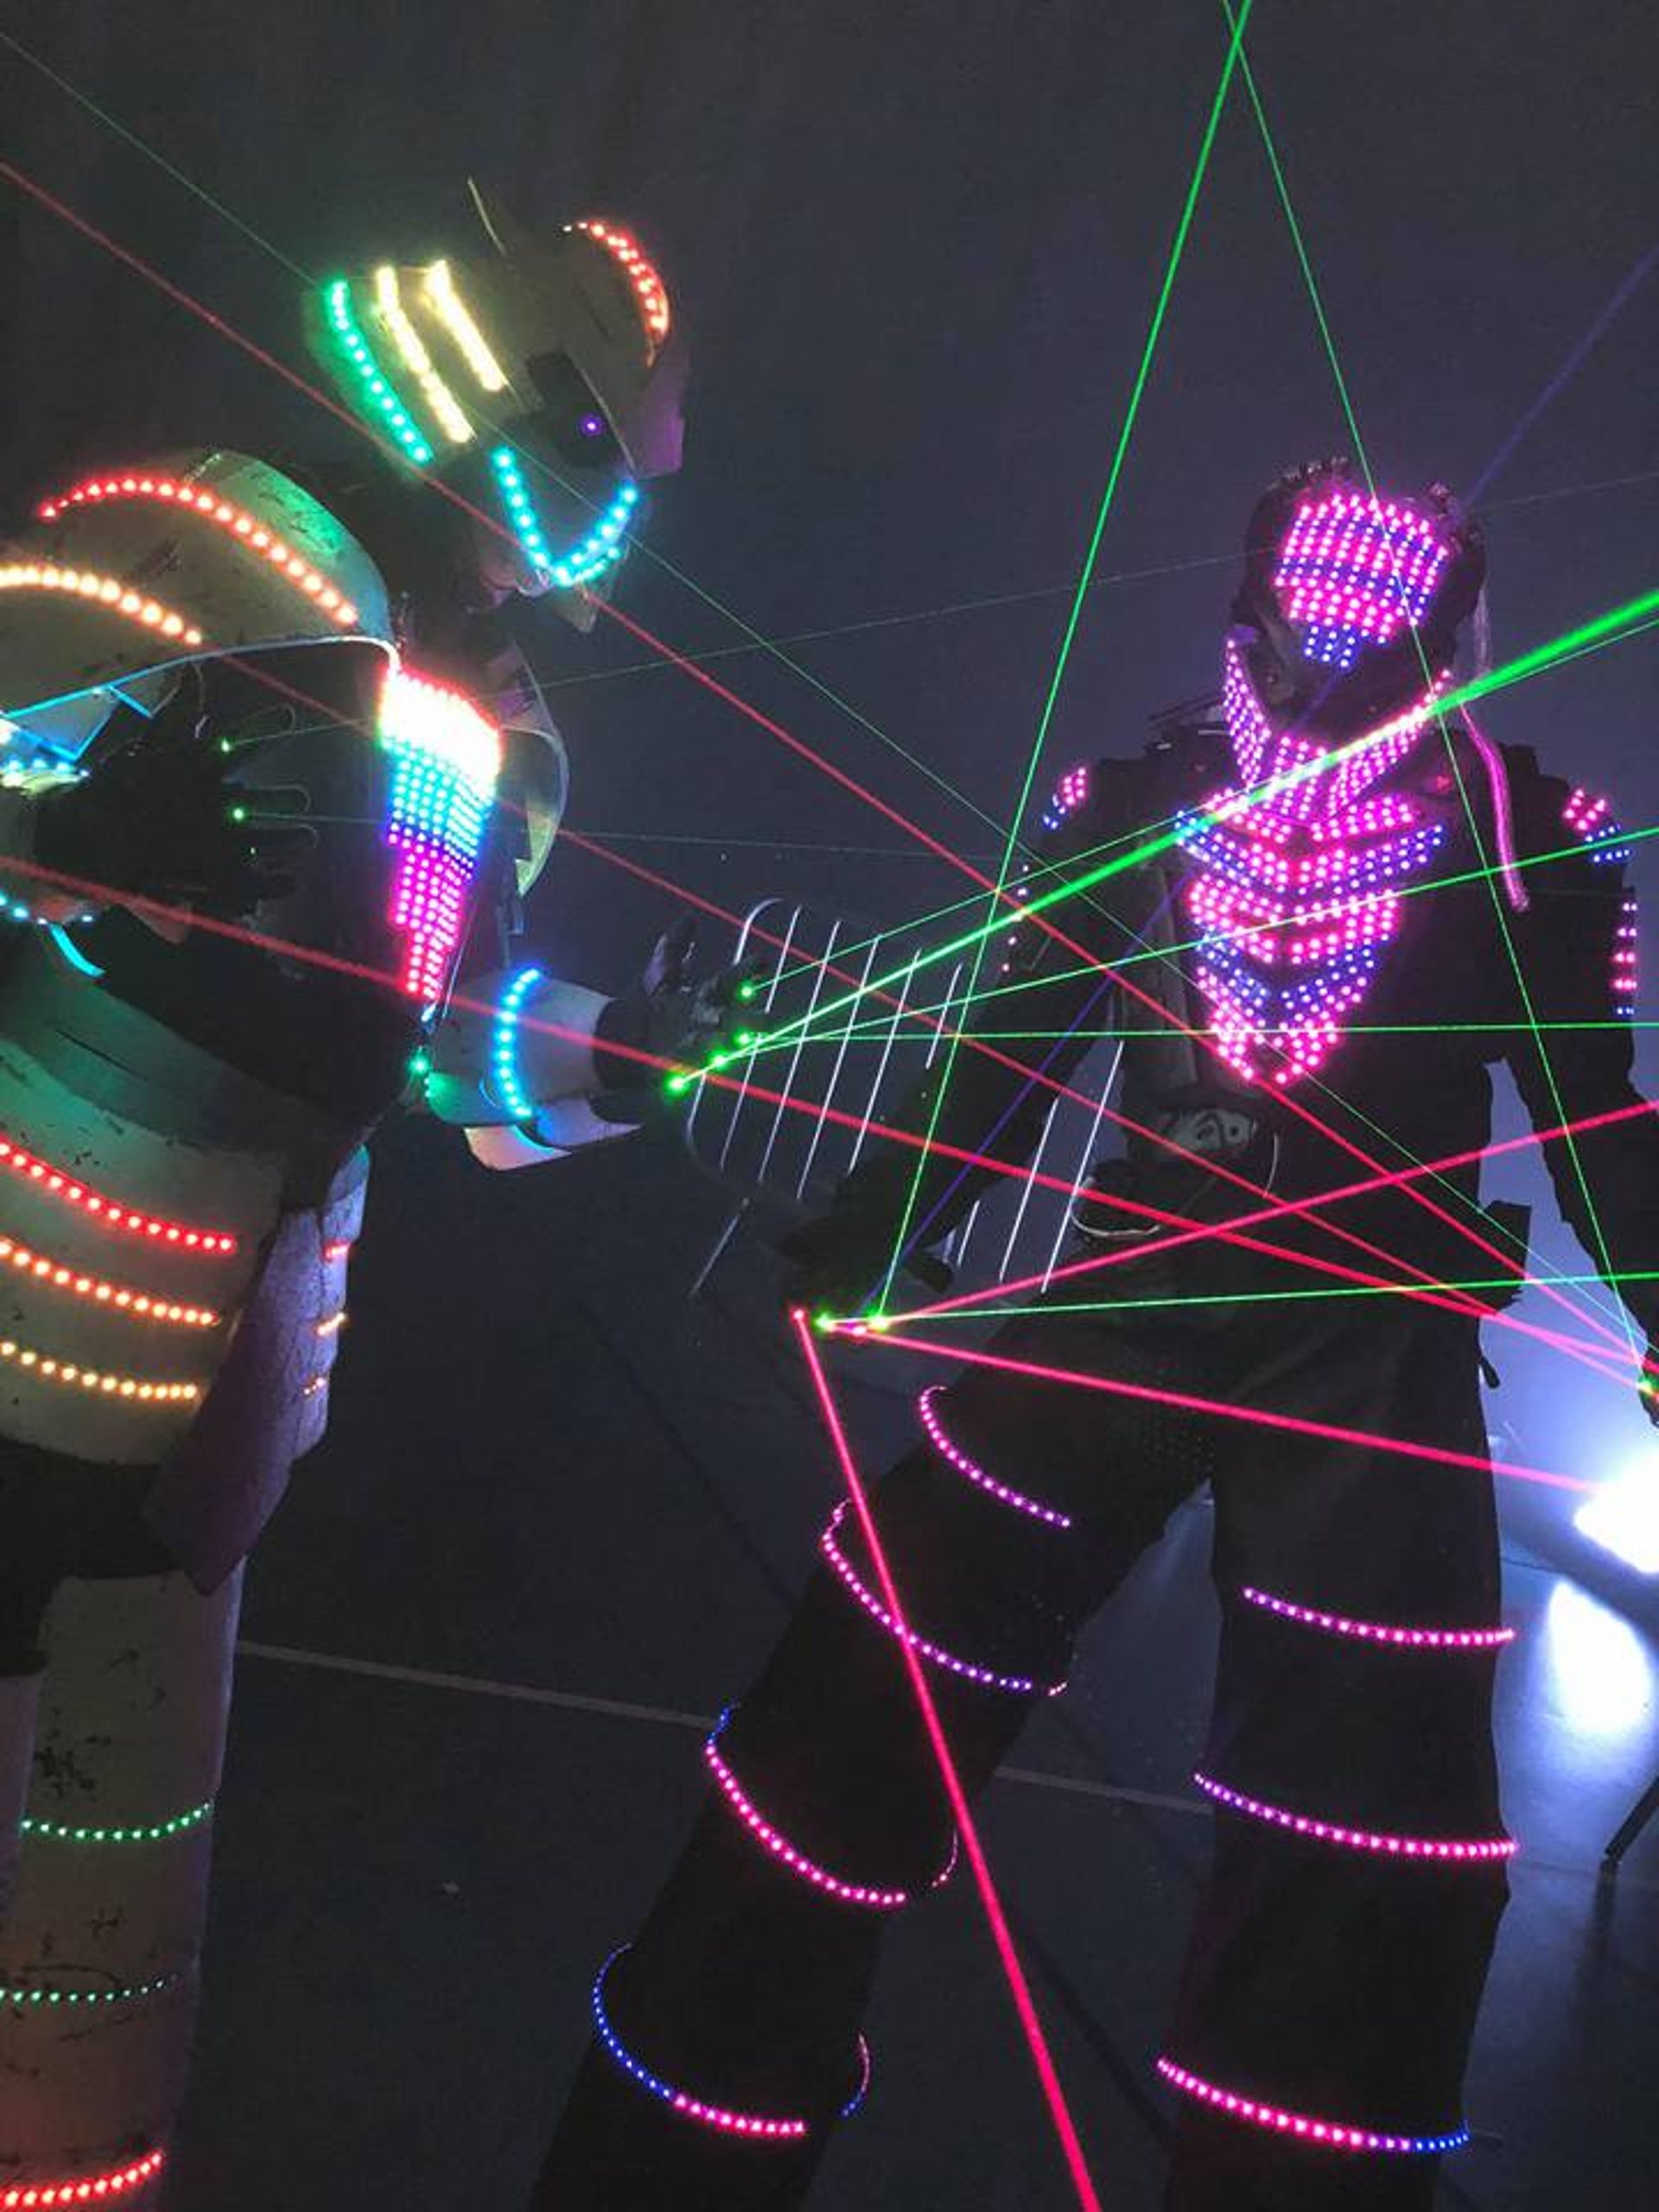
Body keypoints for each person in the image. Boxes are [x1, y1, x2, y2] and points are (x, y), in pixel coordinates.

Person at [534, 459, 1659, 2209]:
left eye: (1374, 656)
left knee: (1365, 1841)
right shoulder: (1148, 794)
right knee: (853, 1706)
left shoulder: (1534, 843)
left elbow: (1597, 1120)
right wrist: (870, 1228)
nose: (1323, 691)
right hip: (1142, 1291)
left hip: (1364, 1336)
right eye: (1299, 648)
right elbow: (1015, 1042)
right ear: (1248, 625)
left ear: (1446, 649)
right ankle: (675, 2142)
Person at [0, 193, 720, 2202]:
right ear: (540, 420)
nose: (622, 513)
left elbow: (435, 1035)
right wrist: (66, 820)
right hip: (23, 1279)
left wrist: (636, 1057)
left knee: (104, 1918)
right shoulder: (222, 539)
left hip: (216, 1376)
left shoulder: (490, 714)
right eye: (614, 455)